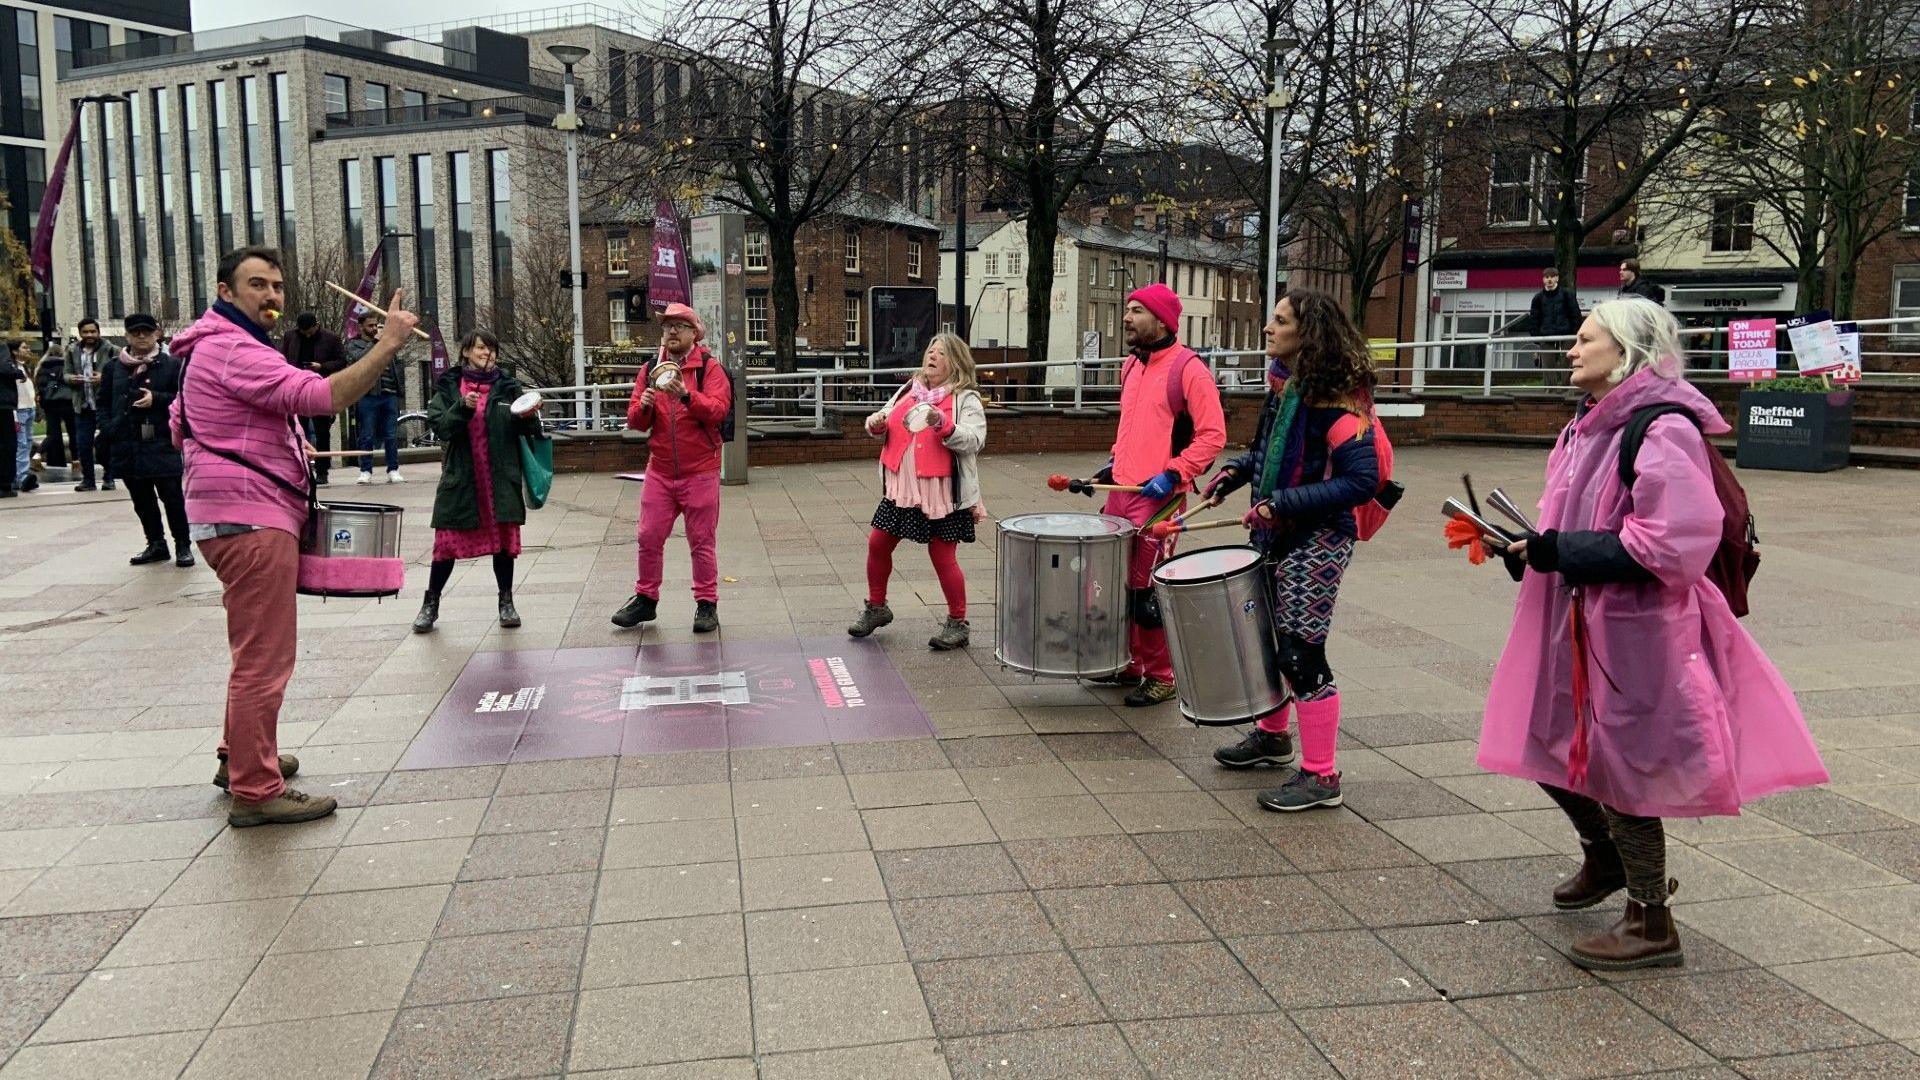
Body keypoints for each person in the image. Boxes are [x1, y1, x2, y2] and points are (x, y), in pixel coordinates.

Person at [1476, 297, 1826, 970]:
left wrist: (1559, 552)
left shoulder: (1660, 428)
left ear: (1627, 351)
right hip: (1580, 619)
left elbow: (1671, 544)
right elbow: (1578, 520)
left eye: (1586, 339)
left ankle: (1651, 919)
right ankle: (1605, 857)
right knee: (1547, 739)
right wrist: (1533, 549)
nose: (1572, 350)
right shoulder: (1588, 424)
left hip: (1636, 631)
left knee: (1620, 766)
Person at [170, 246, 418, 827]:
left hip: (232, 514)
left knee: (250, 650)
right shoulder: (231, 348)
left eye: (277, 286)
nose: (272, 296)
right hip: (251, 520)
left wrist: (282, 440)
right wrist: (386, 345)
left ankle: (240, 757)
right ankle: (256, 789)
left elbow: (188, 423)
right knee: (265, 658)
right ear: (225, 292)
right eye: (257, 285)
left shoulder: (212, 347)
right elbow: (322, 397)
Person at [1202, 289, 1381, 811]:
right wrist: (1237, 473)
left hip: (1319, 539)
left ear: (1308, 333)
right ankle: (1273, 736)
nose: (1267, 328)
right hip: (1277, 532)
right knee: (1270, 642)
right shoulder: (1284, 385)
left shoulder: (1338, 399)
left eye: (1278, 321)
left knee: (1301, 652)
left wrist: (1281, 501)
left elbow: (1361, 479)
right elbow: (1266, 449)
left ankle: (1322, 776)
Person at [1077, 283, 1227, 707]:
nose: (1127, 317)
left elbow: (1214, 435)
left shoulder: (1189, 370)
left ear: (1161, 321)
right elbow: (1133, 426)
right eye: (1127, 308)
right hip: (1123, 490)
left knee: (1147, 590)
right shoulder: (1130, 365)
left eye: (1136, 310)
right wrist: (1113, 464)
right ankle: (1131, 664)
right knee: (1114, 582)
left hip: (1159, 496)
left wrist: (1175, 471)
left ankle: (1162, 675)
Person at [848, 333, 988, 649]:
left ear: (956, 363)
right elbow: (884, 422)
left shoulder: (966, 399)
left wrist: (944, 424)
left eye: (941, 353)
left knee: (942, 556)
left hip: (942, 493)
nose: (932, 356)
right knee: (878, 543)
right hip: (902, 488)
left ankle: (958, 622)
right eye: (930, 350)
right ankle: (877, 607)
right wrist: (876, 424)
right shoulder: (909, 390)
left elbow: (975, 440)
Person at [612, 302, 733, 634]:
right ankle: (645, 600)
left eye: (680, 326)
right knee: (648, 536)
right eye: (667, 326)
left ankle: (707, 604)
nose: (672, 331)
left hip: (701, 470)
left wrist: (685, 396)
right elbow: (635, 420)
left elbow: (719, 410)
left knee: (701, 541)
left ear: (694, 333)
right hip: (661, 470)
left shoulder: (709, 368)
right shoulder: (651, 368)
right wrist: (644, 408)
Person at [412, 330, 542, 634]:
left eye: (493, 349)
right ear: (466, 351)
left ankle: (506, 602)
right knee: (445, 546)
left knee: (504, 544)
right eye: (482, 348)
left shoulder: (508, 387)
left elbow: (530, 430)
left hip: (498, 479)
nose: (489, 354)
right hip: (463, 479)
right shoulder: (449, 387)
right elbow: (441, 427)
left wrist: (530, 415)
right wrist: (462, 408)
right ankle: (430, 605)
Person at [99, 313, 193, 567]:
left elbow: (186, 399)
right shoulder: (113, 367)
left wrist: (158, 398)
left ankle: (183, 545)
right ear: (127, 335)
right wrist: (108, 428)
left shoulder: (172, 365)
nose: (141, 337)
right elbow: (103, 403)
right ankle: (156, 543)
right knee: (141, 500)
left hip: (161, 440)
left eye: (146, 332)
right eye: (136, 332)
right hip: (126, 443)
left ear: (157, 334)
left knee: (172, 498)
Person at [281, 312, 350, 485]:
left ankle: (322, 471)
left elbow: (342, 361)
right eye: (304, 332)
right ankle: (301, 469)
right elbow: (282, 358)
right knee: (298, 431)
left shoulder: (331, 338)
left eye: (310, 331)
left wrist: (322, 366)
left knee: (322, 432)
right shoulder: (291, 336)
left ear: (316, 325)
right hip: (297, 388)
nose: (307, 335)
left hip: (320, 387)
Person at [352, 311, 406, 485]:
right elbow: (360, 360)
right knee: (367, 434)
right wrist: (376, 342)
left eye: (376, 325)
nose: (374, 328)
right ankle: (365, 470)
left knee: (391, 435)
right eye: (370, 326)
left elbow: (395, 362)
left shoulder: (385, 343)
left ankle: (393, 469)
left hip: (389, 394)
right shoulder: (355, 345)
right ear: (361, 327)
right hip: (368, 395)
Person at [68, 318, 114, 491]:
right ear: (80, 333)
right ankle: (88, 480)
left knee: (106, 442)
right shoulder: (72, 350)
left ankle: (109, 477)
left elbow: (120, 372)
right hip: (83, 404)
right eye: (85, 332)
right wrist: (72, 379)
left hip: (104, 405)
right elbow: (65, 374)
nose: (89, 335)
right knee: (83, 444)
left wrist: (104, 377)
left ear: (98, 332)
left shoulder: (110, 349)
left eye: (92, 331)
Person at [1507, 268, 1583, 342]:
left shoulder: (1567, 295)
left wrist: (1573, 334)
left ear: (1557, 278)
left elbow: (1575, 315)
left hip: (1566, 338)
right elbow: (1534, 320)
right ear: (1543, 279)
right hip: (1546, 339)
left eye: (1552, 277)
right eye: (1547, 277)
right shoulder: (1538, 298)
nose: (1549, 279)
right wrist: (1537, 338)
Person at [35, 345, 77, 469]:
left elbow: (42, 387)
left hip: (51, 405)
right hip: (67, 403)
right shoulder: (67, 365)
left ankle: (37, 455)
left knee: (53, 434)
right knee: (73, 432)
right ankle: (76, 461)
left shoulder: (41, 366)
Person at [11, 341, 38, 492]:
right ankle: (21, 477)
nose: (28, 350)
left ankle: (22, 474)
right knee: (21, 443)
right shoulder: (12, 368)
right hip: (19, 409)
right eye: (24, 347)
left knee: (27, 442)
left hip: (29, 407)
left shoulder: (25, 367)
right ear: (15, 351)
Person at [0, 342, 20, 499]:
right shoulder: (1, 347)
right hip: (3, 404)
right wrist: (18, 372)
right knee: (7, 444)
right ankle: (5, 484)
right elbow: (5, 368)